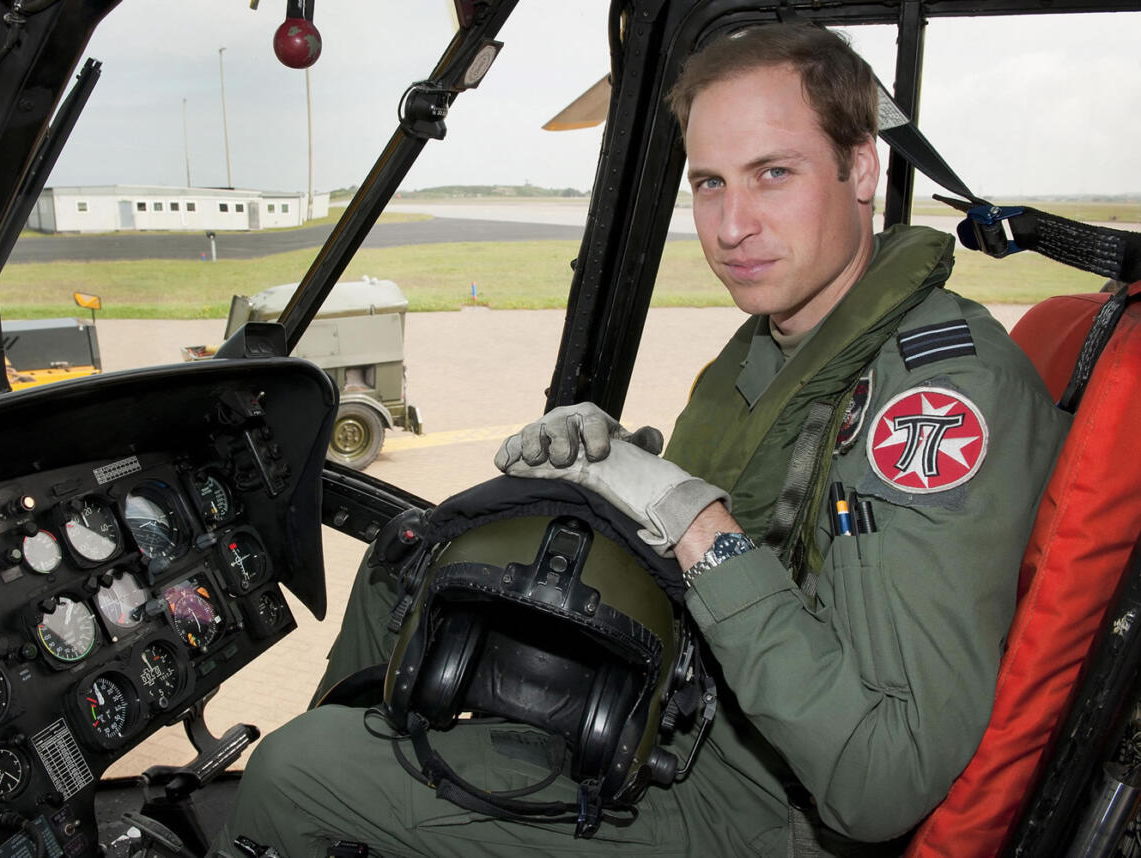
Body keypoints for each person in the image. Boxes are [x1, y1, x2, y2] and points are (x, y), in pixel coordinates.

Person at [213, 22, 1069, 857]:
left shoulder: (927, 401)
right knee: (408, 559)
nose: (731, 228)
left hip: (762, 807)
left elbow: (882, 778)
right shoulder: (790, 335)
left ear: (861, 170)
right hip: (693, 707)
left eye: (773, 174)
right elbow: (764, 505)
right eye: (709, 183)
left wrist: (688, 517)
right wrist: (612, 461)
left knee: (298, 774)